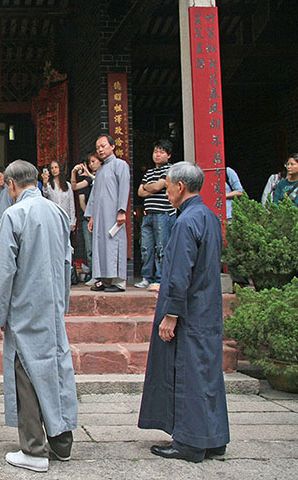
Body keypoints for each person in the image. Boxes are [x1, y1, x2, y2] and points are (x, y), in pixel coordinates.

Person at [0, 159, 78, 473]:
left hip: (25, 307)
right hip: (50, 306)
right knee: (57, 369)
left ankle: (34, 450)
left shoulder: (14, 214)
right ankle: (61, 443)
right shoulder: (58, 212)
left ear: (11, 185)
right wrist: (61, 303)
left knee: (27, 375)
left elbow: (4, 269)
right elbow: (67, 262)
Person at [138, 161, 229, 463]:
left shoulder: (185, 222)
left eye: (167, 185)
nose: (167, 190)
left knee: (188, 373)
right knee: (208, 374)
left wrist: (171, 313)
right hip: (207, 308)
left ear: (179, 187)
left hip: (188, 311)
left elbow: (179, 272)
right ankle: (213, 438)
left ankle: (189, 443)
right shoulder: (209, 217)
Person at [84, 135, 130, 292]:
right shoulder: (101, 169)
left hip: (114, 215)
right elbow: (94, 196)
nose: (100, 149)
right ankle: (105, 280)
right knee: (100, 246)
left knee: (114, 244)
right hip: (100, 216)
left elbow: (124, 188)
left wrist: (122, 211)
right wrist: (91, 216)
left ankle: (118, 282)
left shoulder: (120, 165)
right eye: (98, 147)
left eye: (103, 146)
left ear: (112, 146)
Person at [135, 139, 176, 292]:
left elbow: (159, 185)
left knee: (161, 248)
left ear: (169, 155)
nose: (157, 154)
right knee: (146, 247)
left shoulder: (171, 170)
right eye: (156, 151)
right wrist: (152, 187)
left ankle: (160, 278)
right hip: (148, 214)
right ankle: (147, 277)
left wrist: (149, 187)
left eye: (161, 152)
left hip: (163, 214)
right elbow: (140, 192)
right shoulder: (149, 172)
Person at [71, 152, 101, 285]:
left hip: (101, 217)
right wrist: (73, 173)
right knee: (90, 248)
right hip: (88, 218)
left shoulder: (102, 176)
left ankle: (101, 275)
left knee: (100, 247)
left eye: (93, 162)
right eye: (89, 163)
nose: (91, 165)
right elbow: (74, 187)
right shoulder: (88, 180)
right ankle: (94, 275)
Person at [41, 160, 76, 231]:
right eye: (52, 168)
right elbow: (45, 194)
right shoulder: (49, 185)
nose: (54, 170)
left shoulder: (67, 185)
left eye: (56, 167)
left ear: (60, 168)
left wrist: (73, 221)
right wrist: (44, 183)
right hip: (53, 218)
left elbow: (71, 204)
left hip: (66, 218)